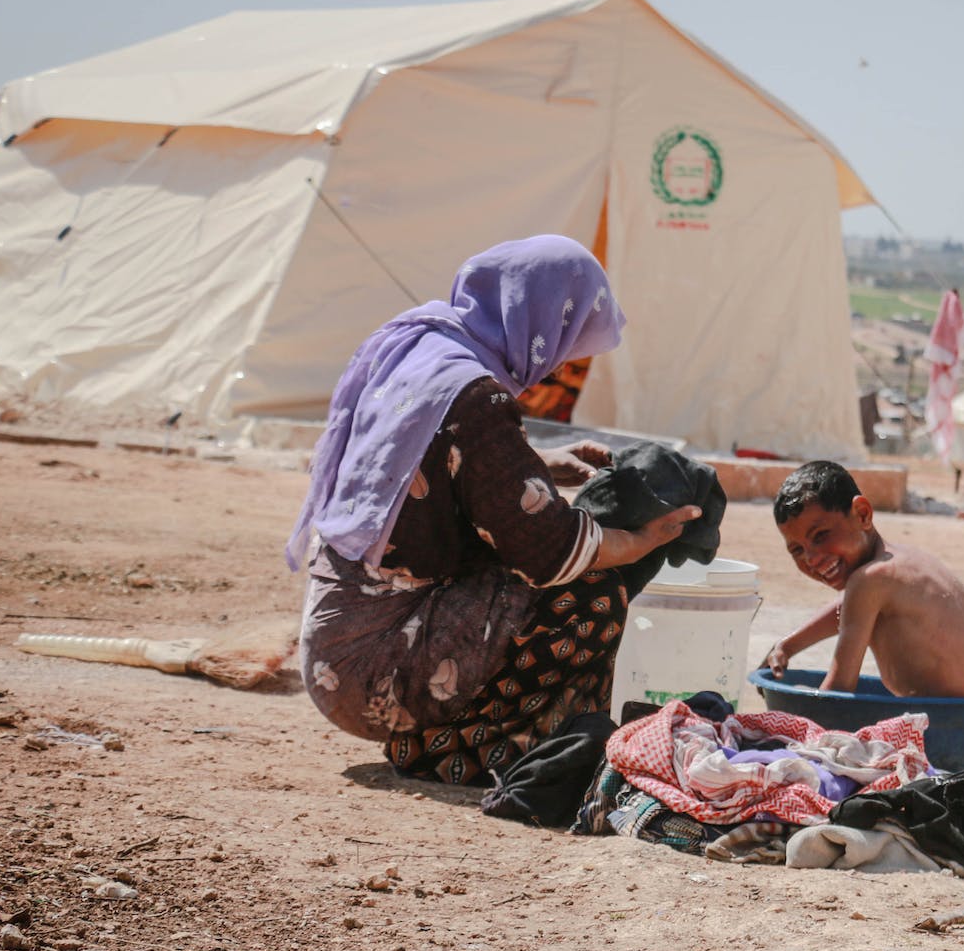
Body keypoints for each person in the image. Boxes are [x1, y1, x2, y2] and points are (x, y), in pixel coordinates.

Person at [288, 235, 699, 785]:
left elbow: (422, 460)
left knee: (526, 558)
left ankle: (462, 733)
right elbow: (550, 552)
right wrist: (643, 541)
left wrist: (532, 462)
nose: (557, 365)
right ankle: (479, 750)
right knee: (592, 595)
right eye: (565, 342)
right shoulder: (477, 398)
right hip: (376, 678)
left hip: (335, 651)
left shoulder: (421, 345)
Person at [763, 461, 964, 698]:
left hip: (952, 726)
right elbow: (847, 608)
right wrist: (787, 646)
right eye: (797, 550)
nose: (812, 559)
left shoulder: (869, 581)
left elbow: (837, 692)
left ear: (862, 514)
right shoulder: (902, 564)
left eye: (821, 535)